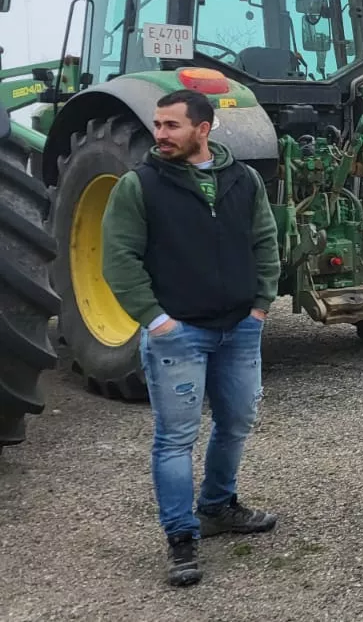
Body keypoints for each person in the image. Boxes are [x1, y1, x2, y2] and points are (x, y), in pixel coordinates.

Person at [100, 89, 281, 587]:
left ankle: (218, 506)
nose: (160, 134)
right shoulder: (139, 187)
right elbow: (118, 259)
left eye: (171, 125)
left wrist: (261, 305)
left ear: (203, 129)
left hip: (240, 328)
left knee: (237, 421)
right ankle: (181, 537)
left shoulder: (242, 180)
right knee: (175, 439)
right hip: (178, 334)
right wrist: (156, 320)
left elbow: (265, 241)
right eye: (157, 125)